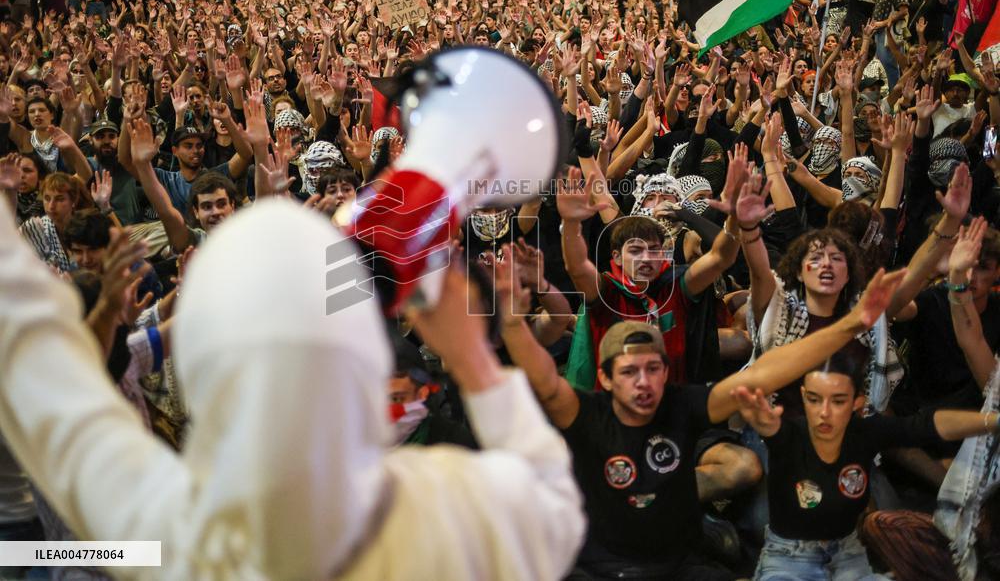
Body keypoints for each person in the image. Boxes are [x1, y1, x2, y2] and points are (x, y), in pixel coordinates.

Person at [0, 196, 586, 580]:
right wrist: (475, 363)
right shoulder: (454, 506)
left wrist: (44, 559)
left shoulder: (182, 535)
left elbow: (52, 388)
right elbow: (557, 504)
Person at [500, 233, 907, 579]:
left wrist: (852, 325)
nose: (643, 383)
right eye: (628, 373)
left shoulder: (683, 404)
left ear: (666, 372)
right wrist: (511, 318)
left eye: (653, 369)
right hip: (605, 569)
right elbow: (541, 376)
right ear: (605, 379)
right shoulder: (585, 412)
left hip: (680, 565)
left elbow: (764, 373)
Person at [736, 352, 998, 581]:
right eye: (814, 399)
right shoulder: (786, 434)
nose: (824, 412)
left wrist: (993, 421)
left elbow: (927, 426)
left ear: (857, 403)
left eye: (838, 401)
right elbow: (765, 424)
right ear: (803, 396)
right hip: (789, 557)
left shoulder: (865, 432)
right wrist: (763, 423)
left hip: (848, 554)